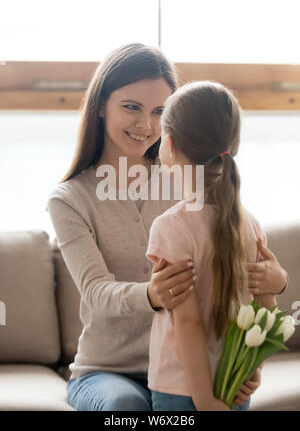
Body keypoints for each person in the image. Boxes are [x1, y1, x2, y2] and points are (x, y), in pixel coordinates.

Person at [46, 44, 288, 411]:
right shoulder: (70, 198)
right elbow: (96, 292)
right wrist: (152, 295)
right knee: (125, 406)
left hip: (192, 367)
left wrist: (276, 280)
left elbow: (236, 253)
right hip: (108, 370)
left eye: (160, 111)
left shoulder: (189, 177)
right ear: (99, 105)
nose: (146, 125)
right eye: (131, 107)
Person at [146, 80, 281, 411]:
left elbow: (188, 322)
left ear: (170, 144)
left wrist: (204, 399)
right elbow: (269, 310)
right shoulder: (248, 224)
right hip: (235, 383)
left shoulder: (171, 228)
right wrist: (254, 369)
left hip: (182, 389)